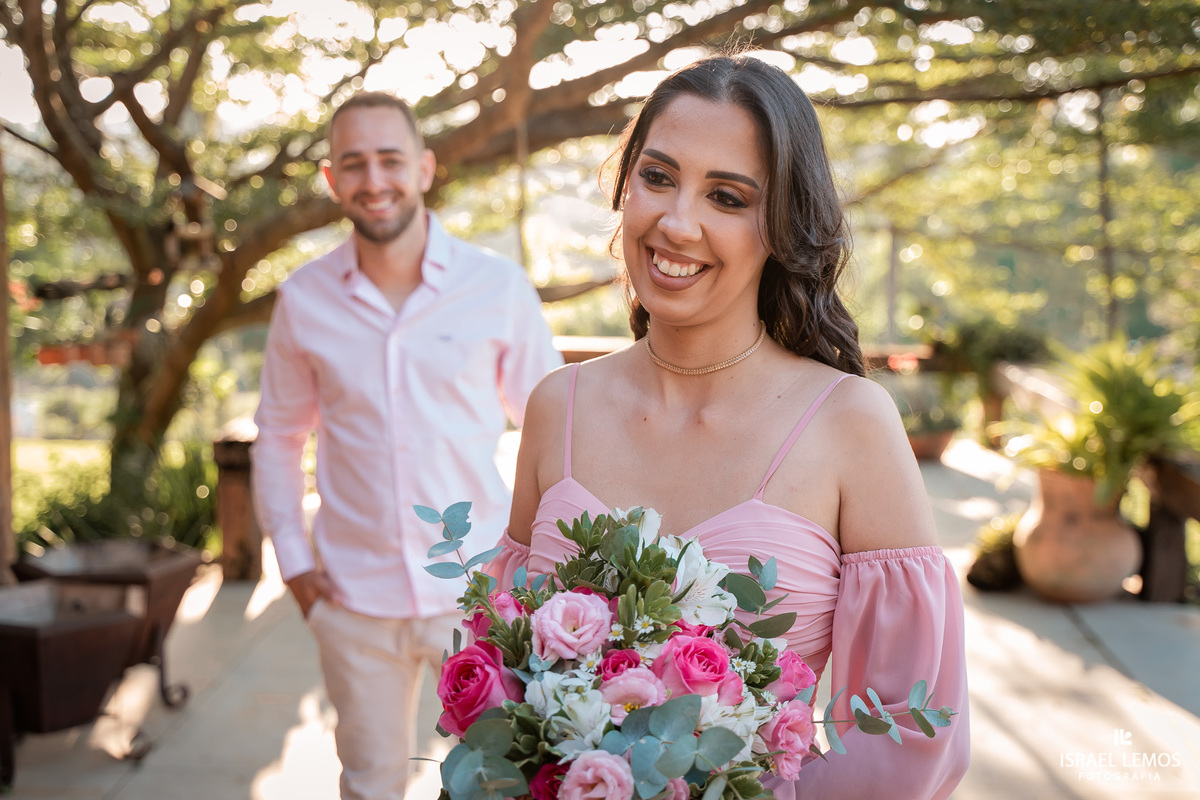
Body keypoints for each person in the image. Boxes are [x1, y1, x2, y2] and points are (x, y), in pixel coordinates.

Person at [488, 54, 969, 799]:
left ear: (781, 226)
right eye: (657, 177)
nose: (677, 223)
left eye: (727, 196)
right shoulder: (558, 406)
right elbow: (501, 676)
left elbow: (906, 738)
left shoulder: (849, 423)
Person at [251, 91, 562, 800]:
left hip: (478, 592)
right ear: (332, 182)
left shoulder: (498, 289)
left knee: (499, 781)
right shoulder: (302, 299)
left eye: (390, 159)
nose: (373, 179)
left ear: (424, 169)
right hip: (352, 598)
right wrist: (296, 567)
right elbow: (278, 435)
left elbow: (555, 432)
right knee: (369, 783)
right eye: (353, 164)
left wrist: (542, 571)